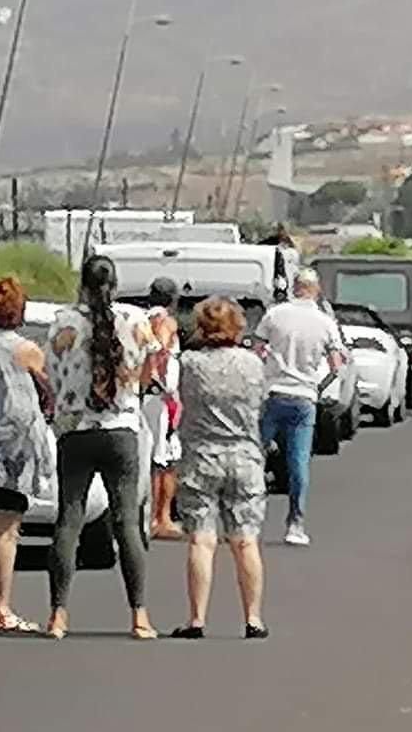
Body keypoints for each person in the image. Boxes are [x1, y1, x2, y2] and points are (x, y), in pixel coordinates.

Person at [45, 255, 160, 641]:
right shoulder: (135, 319)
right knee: (127, 523)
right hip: (121, 428)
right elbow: (150, 369)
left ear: (82, 284)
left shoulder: (63, 321)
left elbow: (51, 373)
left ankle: (58, 615)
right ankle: (139, 615)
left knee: (69, 520)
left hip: (75, 430)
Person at [171, 298, 269, 640]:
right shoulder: (253, 364)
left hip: (201, 455)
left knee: (201, 539)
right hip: (244, 455)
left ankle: (197, 618)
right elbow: (261, 402)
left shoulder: (189, 363)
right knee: (245, 540)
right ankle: (253, 618)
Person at [0, 276, 53, 633]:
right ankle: (2, 607)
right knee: (7, 531)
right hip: (14, 445)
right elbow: (49, 387)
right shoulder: (26, 350)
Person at [254, 267, 346, 547]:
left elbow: (257, 350)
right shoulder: (325, 323)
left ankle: (248, 519)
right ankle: (295, 523)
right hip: (304, 396)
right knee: (298, 461)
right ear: (316, 290)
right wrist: (318, 386)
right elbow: (336, 366)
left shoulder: (275, 314)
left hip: (273, 393)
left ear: (295, 287)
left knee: (255, 457)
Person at [144, 277, 184, 541]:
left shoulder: (143, 318)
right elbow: (159, 351)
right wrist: (164, 386)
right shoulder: (164, 321)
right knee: (163, 458)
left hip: (152, 396)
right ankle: (159, 518)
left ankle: (155, 516)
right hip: (160, 398)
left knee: (160, 455)